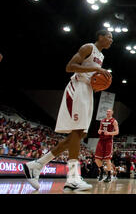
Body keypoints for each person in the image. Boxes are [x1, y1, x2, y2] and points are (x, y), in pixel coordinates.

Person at [22, 30, 112, 191]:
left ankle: (37, 164)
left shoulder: (102, 56)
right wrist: (95, 70)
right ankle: (72, 178)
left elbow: (91, 73)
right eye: (109, 37)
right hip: (77, 88)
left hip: (88, 90)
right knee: (77, 131)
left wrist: (96, 82)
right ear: (100, 36)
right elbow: (70, 67)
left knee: (80, 134)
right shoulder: (88, 47)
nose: (111, 40)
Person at [95, 109, 119, 183]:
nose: (108, 112)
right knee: (96, 159)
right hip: (101, 140)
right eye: (107, 111)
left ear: (112, 113)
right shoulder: (102, 120)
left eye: (109, 111)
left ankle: (109, 175)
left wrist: (109, 133)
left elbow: (117, 132)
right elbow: (100, 129)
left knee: (107, 159)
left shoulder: (114, 121)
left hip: (108, 141)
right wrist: (99, 131)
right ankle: (102, 171)